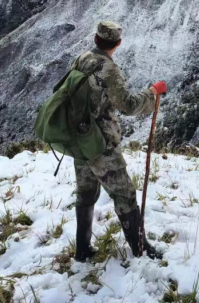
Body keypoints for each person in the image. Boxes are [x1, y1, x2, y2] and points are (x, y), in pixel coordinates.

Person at [72, 20, 167, 261]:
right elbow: (129, 105)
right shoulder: (109, 69)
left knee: (85, 192)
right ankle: (139, 248)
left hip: (79, 137)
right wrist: (152, 92)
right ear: (118, 44)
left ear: (96, 40)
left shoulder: (82, 58)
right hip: (100, 143)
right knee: (124, 193)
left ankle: (82, 249)